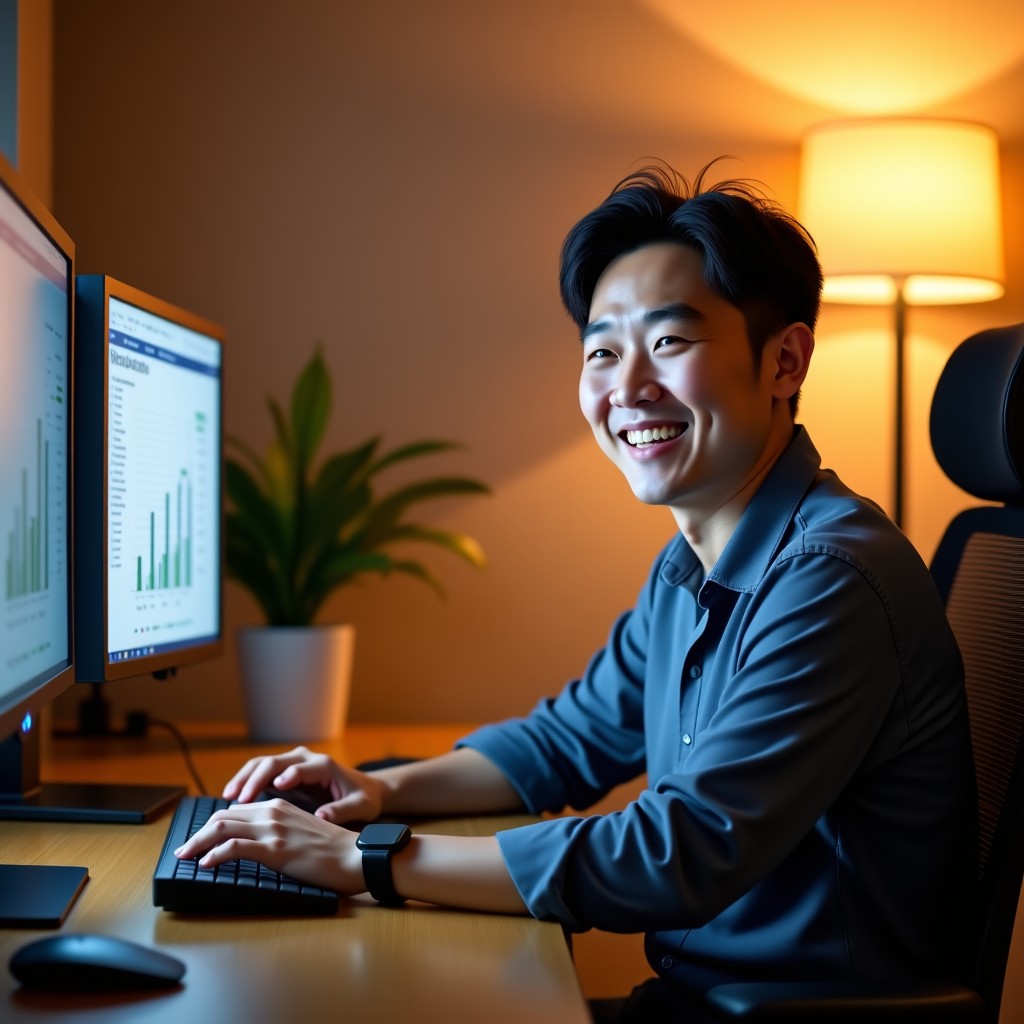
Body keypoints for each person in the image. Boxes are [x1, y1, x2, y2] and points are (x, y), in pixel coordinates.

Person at [177, 163, 976, 1022]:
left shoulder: (831, 577)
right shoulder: (696, 564)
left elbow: (679, 852)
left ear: (785, 360)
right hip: (702, 998)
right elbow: (568, 741)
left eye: (670, 343)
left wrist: (365, 861)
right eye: (602, 350)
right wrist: (376, 792)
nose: (627, 388)